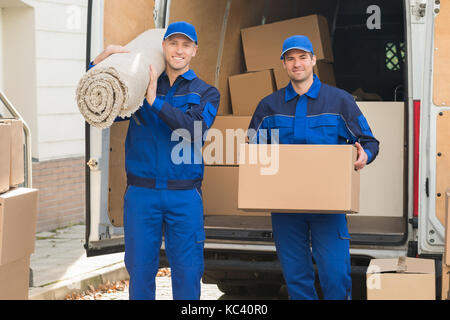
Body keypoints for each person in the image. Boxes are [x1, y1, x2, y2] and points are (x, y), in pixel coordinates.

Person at [89, 21, 220, 300]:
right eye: (173, 43)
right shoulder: (138, 83)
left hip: (183, 195)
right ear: (163, 47)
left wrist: (155, 102)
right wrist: (95, 67)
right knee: (140, 271)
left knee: (187, 272)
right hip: (141, 194)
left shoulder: (206, 92)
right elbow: (102, 106)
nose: (179, 50)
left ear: (195, 50)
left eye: (186, 45)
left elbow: (195, 131)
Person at [247, 35, 379, 300]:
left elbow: (368, 141)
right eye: (290, 58)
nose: (297, 64)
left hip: (328, 204)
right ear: (283, 64)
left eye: (303, 57)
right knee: (296, 277)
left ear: (313, 60)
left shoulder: (340, 101)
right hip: (286, 206)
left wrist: (365, 156)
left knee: (335, 275)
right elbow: (252, 150)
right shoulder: (268, 106)